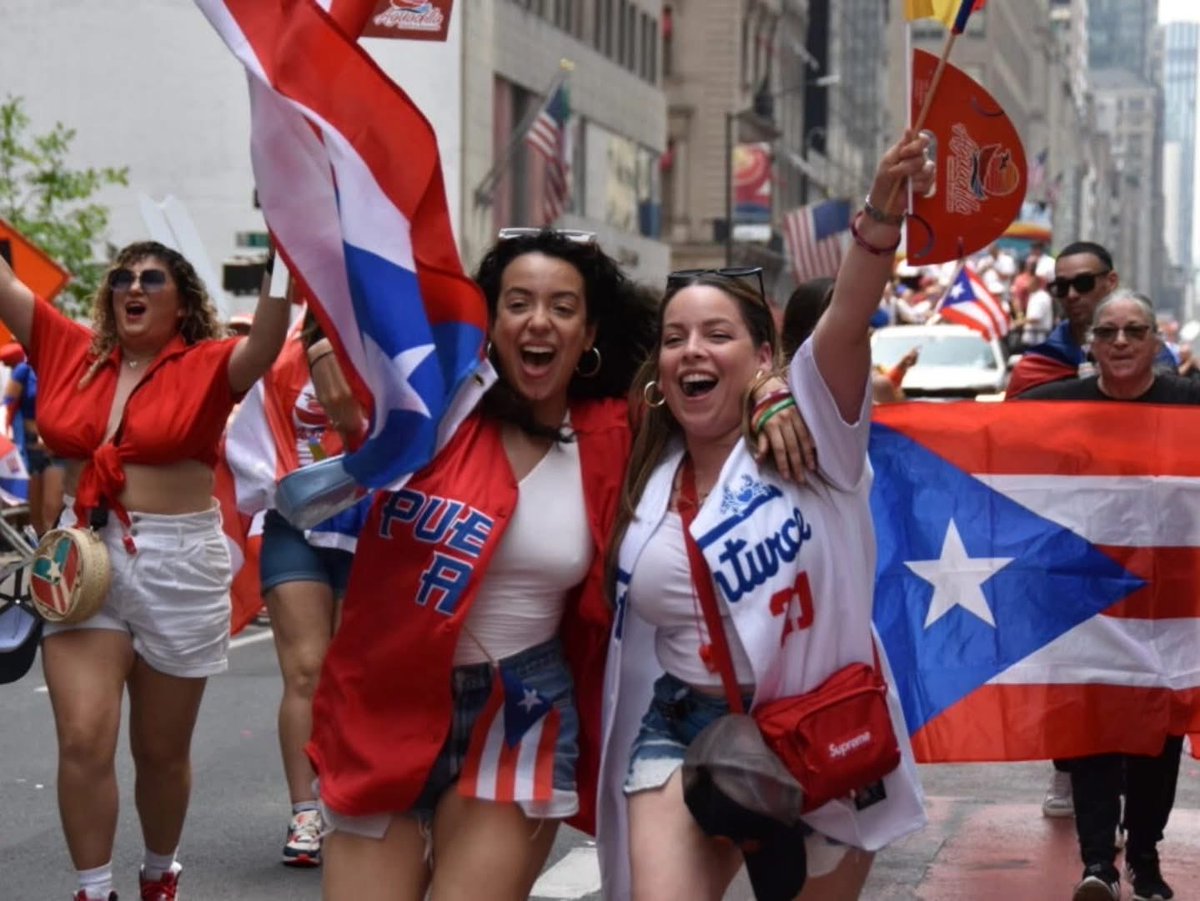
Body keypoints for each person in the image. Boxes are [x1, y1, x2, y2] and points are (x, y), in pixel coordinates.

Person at [303, 229, 814, 901]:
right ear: (489, 321)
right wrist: (328, 360)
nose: (539, 321)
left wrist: (770, 389)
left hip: (522, 709)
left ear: (588, 330)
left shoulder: (619, 433)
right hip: (382, 702)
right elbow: (342, 314)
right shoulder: (422, 411)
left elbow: (707, 387)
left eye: (562, 306)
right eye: (517, 302)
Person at [597, 134, 932, 900]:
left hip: (819, 730)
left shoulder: (815, 439)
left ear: (764, 357)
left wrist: (880, 212)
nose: (692, 350)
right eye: (675, 337)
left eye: (718, 335)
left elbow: (846, 318)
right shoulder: (641, 467)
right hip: (678, 727)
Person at [0, 240, 290, 901]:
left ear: (181, 301)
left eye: (151, 278)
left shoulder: (213, 364)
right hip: (82, 561)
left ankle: (160, 871)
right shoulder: (70, 348)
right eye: (123, 277)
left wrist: (284, 249)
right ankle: (93, 888)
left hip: (177, 564)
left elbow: (268, 339)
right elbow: (8, 288)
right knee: (82, 735)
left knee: (160, 752)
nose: (132, 286)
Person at [1021, 289, 1195, 901]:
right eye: (1108, 332)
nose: (1120, 342)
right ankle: (1098, 866)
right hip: (1084, 605)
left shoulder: (1190, 406)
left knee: (1157, 737)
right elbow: (979, 444)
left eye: (1134, 331)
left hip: (1168, 608)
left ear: (1156, 342)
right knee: (1089, 731)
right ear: (1090, 344)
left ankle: (1144, 856)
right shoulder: (1049, 407)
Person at [224, 321, 367, 868]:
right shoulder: (281, 357)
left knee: (354, 671)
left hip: (373, 523)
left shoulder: (387, 345)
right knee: (306, 669)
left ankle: (352, 795)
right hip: (295, 519)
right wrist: (279, 481)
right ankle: (305, 809)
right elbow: (248, 444)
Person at [4, 355, 67, 535]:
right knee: (36, 512)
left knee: (53, 507)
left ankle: (53, 553)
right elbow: (8, 404)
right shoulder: (25, 370)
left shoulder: (64, 367)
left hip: (57, 447)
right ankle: (42, 552)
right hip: (31, 446)